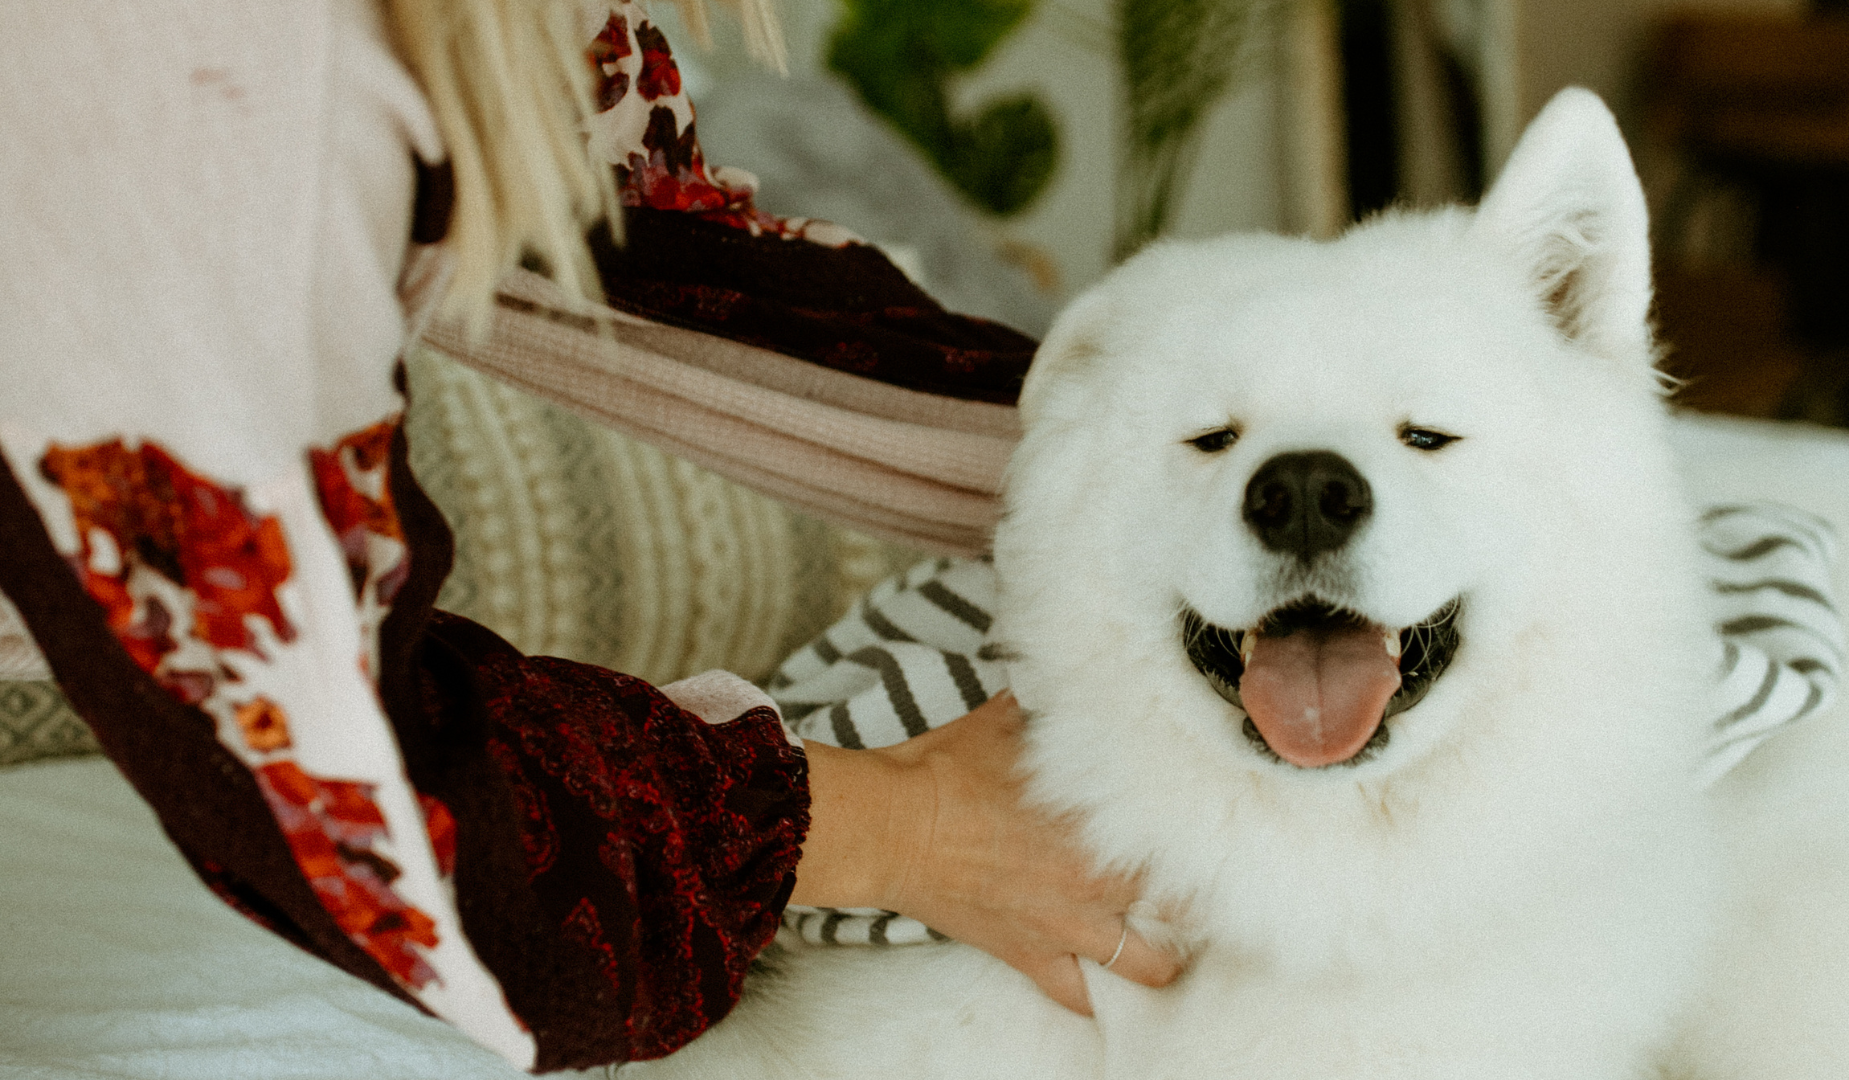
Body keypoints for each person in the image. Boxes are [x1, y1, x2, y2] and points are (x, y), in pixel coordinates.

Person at [0, 0, 1176, 1072]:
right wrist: (908, 824)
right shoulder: (212, 65)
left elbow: (703, 282)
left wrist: (1155, 471)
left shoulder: (464, 38)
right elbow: (331, 765)